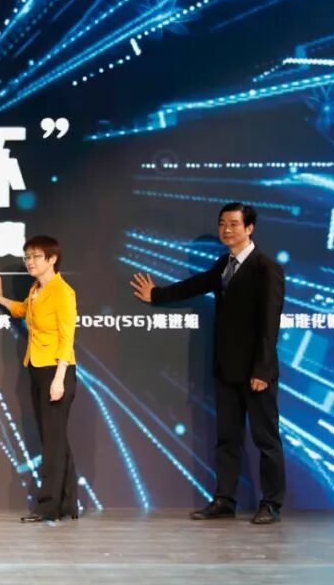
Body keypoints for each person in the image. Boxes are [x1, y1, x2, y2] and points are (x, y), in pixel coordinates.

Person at [130, 202, 286, 524]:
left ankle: (271, 504)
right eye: (222, 224)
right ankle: (225, 500)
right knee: (227, 440)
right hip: (226, 370)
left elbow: (270, 324)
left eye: (234, 224)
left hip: (256, 373)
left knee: (266, 440)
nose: (227, 229)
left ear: (249, 228)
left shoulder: (266, 267)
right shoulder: (223, 264)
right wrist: (156, 295)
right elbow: (196, 285)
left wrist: (262, 370)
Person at [0, 235, 79, 522]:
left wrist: (59, 379)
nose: (30, 262)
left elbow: (67, 337)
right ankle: (68, 503)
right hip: (38, 368)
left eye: (36, 256)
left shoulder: (62, 292)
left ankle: (48, 506)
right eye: (27, 257)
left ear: (52, 259)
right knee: (55, 439)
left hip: (56, 370)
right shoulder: (37, 290)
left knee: (52, 443)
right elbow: (23, 310)